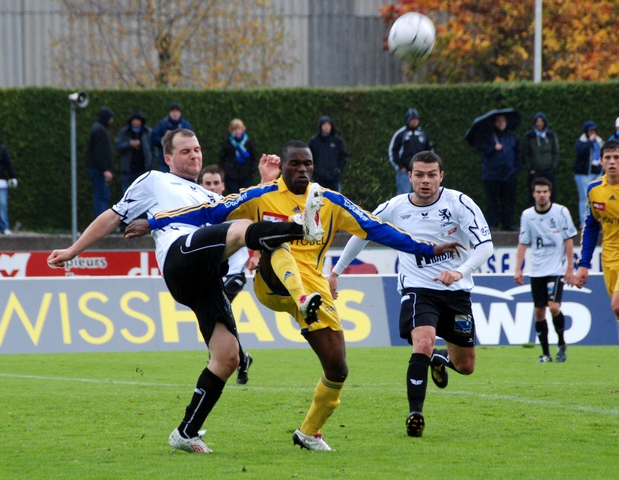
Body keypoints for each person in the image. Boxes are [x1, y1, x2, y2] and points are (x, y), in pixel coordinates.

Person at [126, 140, 462, 450]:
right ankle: (300, 286)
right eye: (294, 164)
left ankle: (309, 432)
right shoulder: (260, 195)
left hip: (315, 290)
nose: (301, 169)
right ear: (283, 167)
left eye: (307, 164)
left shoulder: (330, 201)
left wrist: (426, 248)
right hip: (274, 282)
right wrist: (153, 223)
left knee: (338, 368)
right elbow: (207, 211)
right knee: (275, 239)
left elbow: (375, 227)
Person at [47, 129, 318, 454]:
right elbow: (113, 215)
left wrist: (264, 181)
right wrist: (73, 250)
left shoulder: (210, 197)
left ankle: (186, 432)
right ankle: (302, 229)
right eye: (186, 150)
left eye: (197, 149)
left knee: (227, 357)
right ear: (168, 157)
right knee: (241, 229)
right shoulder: (155, 180)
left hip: (203, 277)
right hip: (180, 257)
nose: (194, 155)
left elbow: (246, 211)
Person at [329, 151, 492, 438]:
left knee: (466, 366)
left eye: (431, 175)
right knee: (424, 342)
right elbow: (362, 232)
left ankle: (440, 360)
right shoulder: (395, 207)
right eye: (419, 175)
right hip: (418, 289)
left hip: (455, 292)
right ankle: (415, 414)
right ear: (409, 177)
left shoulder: (459, 203)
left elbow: (485, 246)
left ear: (441, 176)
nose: (425, 180)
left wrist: (459, 272)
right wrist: (336, 272)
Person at [199, 164, 258, 384]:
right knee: (219, 318)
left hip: (234, 274)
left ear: (223, 186)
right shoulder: (196, 212)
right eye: (208, 183)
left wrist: (256, 254)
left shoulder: (233, 209)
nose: (212, 187)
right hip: (211, 277)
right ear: (201, 185)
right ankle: (241, 358)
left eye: (216, 183)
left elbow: (254, 227)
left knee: (216, 314)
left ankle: (218, 357)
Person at [514, 178, 576, 363]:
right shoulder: (527, 215)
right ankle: (546, 353)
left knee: (554, 307)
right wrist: (518, 268)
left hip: (556, 269)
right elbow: (523, 242)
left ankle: (562, 344)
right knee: (539, 311)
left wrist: (570, 268)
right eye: (538, 192)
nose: (542, 195)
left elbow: (569, 240)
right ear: (533, 194)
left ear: (550, 193)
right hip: (537, 270)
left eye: (545, 192)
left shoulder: (561, 212)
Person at [575, 139, 619, 324]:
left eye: (616, 157)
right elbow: (591, 227)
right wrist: (584, 264)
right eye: (608, 157)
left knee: (617, 305)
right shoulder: (594, 189)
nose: (612, 162)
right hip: (609, 255)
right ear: (601, 161)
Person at [478, 113, 521, 231]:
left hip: (509, 175)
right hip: (491, 175)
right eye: (498, 121)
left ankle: (508, 224)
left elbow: (518, 154)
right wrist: (492, 148)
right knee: (492, 201)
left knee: (508, 201)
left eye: (503, 120)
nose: (501, 123)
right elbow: (481, 148)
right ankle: (492, 224)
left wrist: (516, 170)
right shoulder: (489, 136)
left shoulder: (512, 136)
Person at [388, 108, 432, 195]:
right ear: (408, 120)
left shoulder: (423, 134)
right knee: (403, 196)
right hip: (405, 172)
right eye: (412, 119)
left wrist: (428, 166)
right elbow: (392, 151)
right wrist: (399, 167)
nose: (415, 122)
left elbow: (429, 151)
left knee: (422, 195)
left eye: (416, 119)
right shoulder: (401, 134)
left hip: (420, 171)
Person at [522, 112, 559, 203]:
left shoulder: (551, 136)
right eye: (537, 121)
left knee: (550, 194)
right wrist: (530, 168)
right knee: (534, 195)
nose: (539, 123)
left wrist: (553, 168)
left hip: (548, 171)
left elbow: (555, 152)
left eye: (541, 121)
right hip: (535, 172)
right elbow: (526, 153)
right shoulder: (529, 136)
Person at [114, 110, 154, 193]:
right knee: (127, 194)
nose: (136, 122)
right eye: (134, 120)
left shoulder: (148, 132)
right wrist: (129, 144)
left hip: (143, 170)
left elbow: (153, 150)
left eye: (138, 120)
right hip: (128, 171)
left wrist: (150, 164)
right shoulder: (124, 132)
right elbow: (117, 146)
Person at [574, 120, 603, 229]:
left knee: (598, 198)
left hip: (597, 172)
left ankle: (598, 222)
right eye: (591, 131)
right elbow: (581, 152)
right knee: (585, 199)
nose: (593, 133)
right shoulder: (581, 142)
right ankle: (584, 223)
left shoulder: (599, 141)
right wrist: (590, 142)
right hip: (584, 174)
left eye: (594, 130)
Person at [87, 107, 115, 219]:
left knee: (101, 196)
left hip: (96, 169)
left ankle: (101, 221)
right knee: (102, 196)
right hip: (99, 170)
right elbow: (100, 152)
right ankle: (102, 222)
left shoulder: (98, 129)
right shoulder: (100, 130)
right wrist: (105, 169)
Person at [308, 115, 347, 192]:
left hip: (334, 180)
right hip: (318, 180)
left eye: (328, 124)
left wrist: (338, 170)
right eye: (324, 124)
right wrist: (314, 171)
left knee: (335, 199)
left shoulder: (337, 141)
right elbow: (309, 157)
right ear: (320, 126)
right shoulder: (314, 141)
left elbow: (343, 157)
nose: (326, 127)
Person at [218, 118, 257, 194]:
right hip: (231, 176)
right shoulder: (227, 142)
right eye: (234, 129)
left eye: (239, 129)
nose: (237, 131)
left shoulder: (248, 142)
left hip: (246, 175)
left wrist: (251, 170)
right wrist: (226, 171)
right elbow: (222, 157)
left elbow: (254, 157)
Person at [152, 102, 193, 172]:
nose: (175, 113)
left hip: (182, 160)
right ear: (169, 112)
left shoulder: (185, 125)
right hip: (166, 161)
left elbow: (191, 141)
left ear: (180, 113)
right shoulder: (163, 124)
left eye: (177, 111)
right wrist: (165, 139)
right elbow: (153, 139)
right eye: (173, 111)